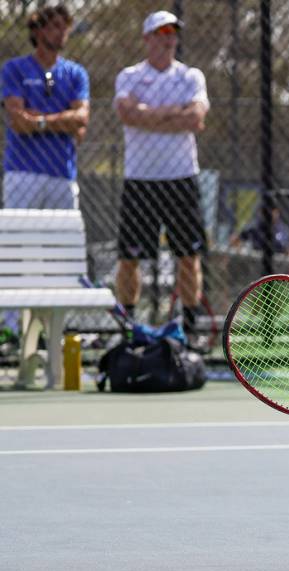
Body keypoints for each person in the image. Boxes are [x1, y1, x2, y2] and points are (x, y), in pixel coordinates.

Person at [113, 10, 209, 338]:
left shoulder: (191, 77)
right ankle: (127, 325)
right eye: (161, 32)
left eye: (173, 32)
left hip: (182, 178)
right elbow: (127, 114)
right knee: (129, 257)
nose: (168, 38)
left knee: (189, 255)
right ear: (147, 38)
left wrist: (149, 116)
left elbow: (196, 118)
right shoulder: (129, 76)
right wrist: (173, 115)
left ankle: (191, 327)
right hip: (140, 180)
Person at [1, 4, 89, 344]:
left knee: (61, 255)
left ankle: (55, 332)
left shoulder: (76, 74)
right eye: (54, 26)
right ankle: (10, 330)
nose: (61, 33)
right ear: (37, 30)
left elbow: (81, 122)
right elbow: (18, 122)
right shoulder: (15, 69)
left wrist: (40, 120)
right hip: (22, 173)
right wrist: (59, 120)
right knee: (17, 251)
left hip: (62, 177)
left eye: (65, 27)